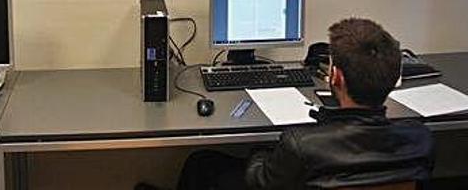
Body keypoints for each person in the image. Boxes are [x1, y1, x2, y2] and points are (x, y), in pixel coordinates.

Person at [171, 18, 434, 190]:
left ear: (336, 77)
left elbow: (259, 180)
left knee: (201, 161)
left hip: (274, 174)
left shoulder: (302, 144)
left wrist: (261, 151)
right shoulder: (420, 139)